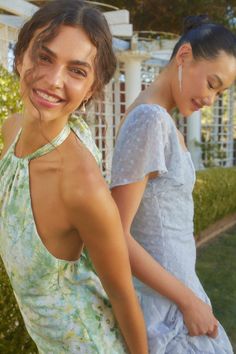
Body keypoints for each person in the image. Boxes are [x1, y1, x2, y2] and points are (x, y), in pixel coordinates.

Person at [0, 1, 148, 353]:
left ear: (91, 90)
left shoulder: (81, 186)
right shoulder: (12, 130)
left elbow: (123, 295)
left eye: (77, 71)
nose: (53, 80)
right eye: (44, 57)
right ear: (20, 57)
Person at [110, 15, 236, 353]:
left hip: (178, 302)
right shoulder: (150, 120)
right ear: (183, 57)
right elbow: (114, 236)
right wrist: (187, 301)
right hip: (168, 313)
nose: (211, 100)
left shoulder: (158, 120)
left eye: (220, 92)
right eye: (212, 83)